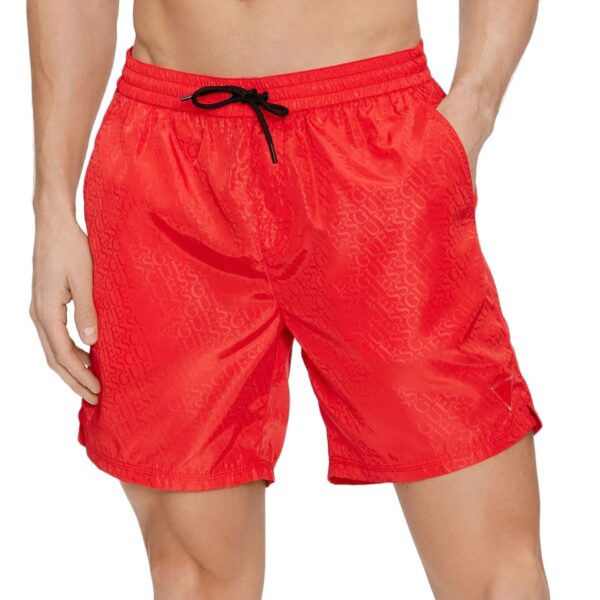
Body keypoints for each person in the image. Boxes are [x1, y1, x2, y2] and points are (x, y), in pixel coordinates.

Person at [27, 0, 549, 597]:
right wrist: (52, 210)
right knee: (193, 572)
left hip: (375, 149)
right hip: (163, 164)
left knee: (491, 570)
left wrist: (473, 108)